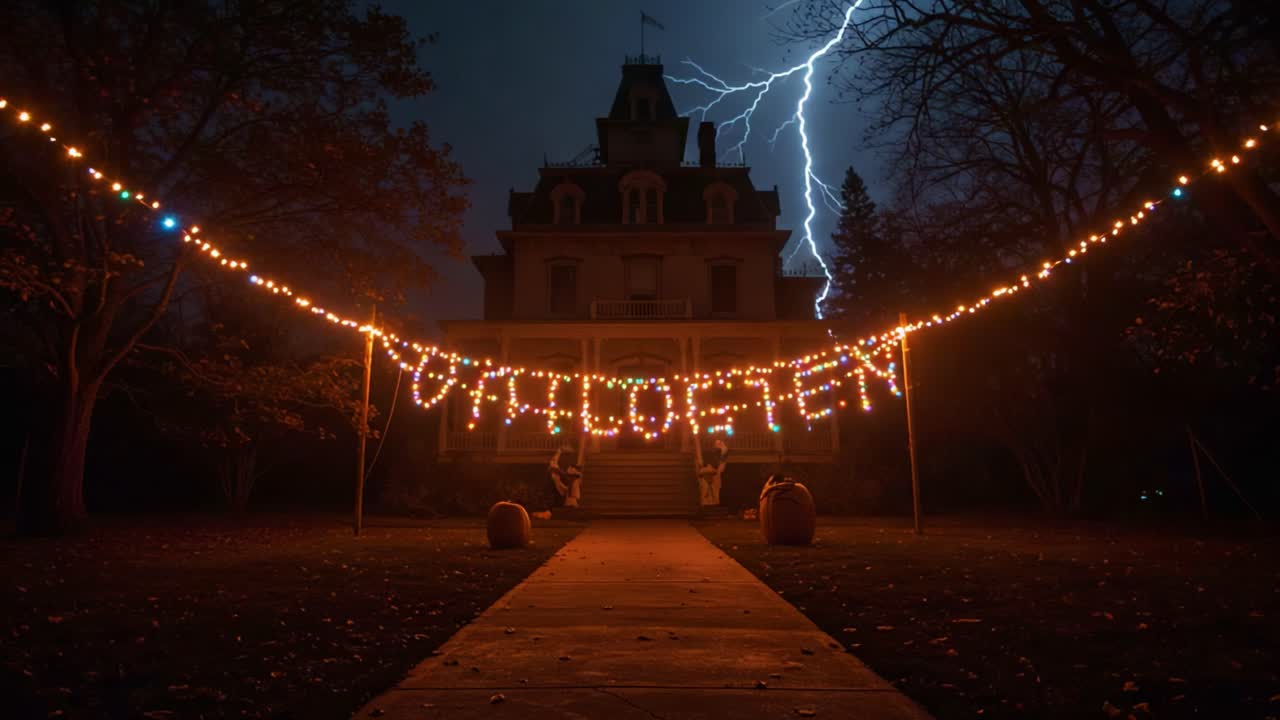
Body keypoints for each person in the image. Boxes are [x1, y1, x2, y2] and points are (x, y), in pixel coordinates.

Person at [697, 439, 729, 506]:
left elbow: (722, 462)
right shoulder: (704, 475)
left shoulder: (716, 474)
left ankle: (711, 503)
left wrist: (724, 450)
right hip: (706, 502)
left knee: (712, 493)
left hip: (713, 501)